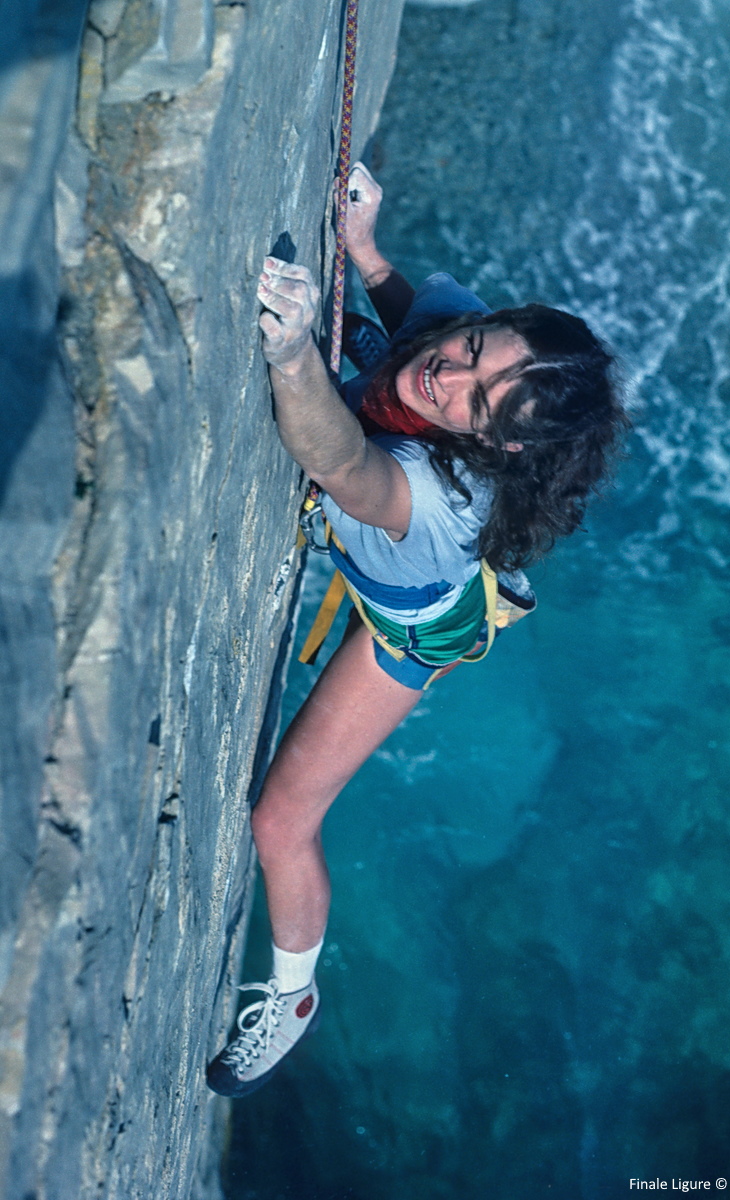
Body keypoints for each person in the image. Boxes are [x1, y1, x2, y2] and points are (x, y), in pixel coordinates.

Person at [206, 164, 629, 1097]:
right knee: (376, 345)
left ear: (501, 448)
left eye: (478, 400)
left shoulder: (438, 504)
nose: (449, 372)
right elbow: (418, 310)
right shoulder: (460, 339)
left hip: (417, 623)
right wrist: (362, 243)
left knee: (280, 819)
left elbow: (339, 459)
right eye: (477, 346)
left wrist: (291, 357)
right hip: (409, 546)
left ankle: (293, 995)